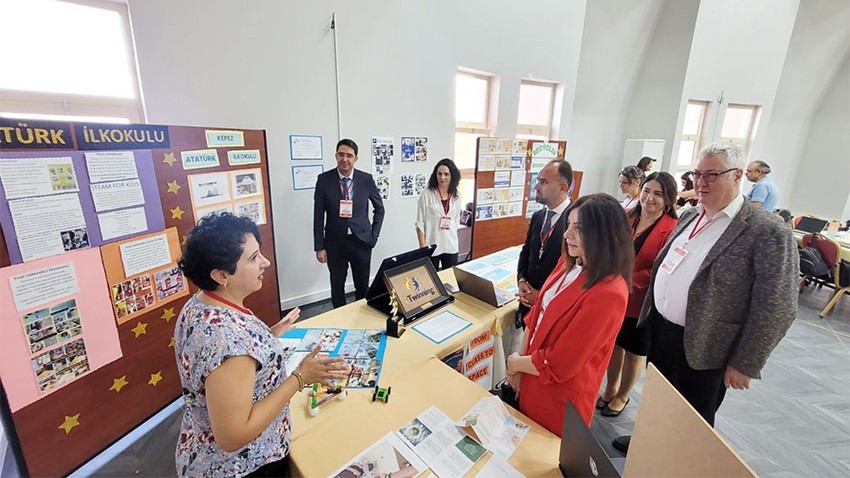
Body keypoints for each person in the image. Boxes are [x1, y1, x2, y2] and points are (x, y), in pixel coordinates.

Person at [612, 143, 798, 453]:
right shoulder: (690, 216)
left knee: (692, 417)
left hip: (706, 343)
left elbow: (777, 305)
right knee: (658, 399)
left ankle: (680, 464)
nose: (700, 183)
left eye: (711, 175)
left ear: (738, 176)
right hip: (661, 329)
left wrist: (746, 362)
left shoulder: (765, 232)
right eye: (697, 174)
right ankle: (649, 442)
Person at [174, 212, 349, 477]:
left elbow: (228, 360)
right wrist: (301, 377)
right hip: (244, 466)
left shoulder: (202, 303)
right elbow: (233, 435)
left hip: (203, 447)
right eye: (254, 258)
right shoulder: (226, 339)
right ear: (222, 275)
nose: (266, 262)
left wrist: (268, 334)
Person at [506, 194, 634, 435]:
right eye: (568, 226)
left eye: (579, 228)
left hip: (559, 395)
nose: (566, 235)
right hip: (532, 374)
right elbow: (537, 315)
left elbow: (561, 363)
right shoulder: (570, 262)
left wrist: (515, 363)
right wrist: (520, 365)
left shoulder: (609, 291)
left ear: (604, 235)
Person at [598, 172, 678, 417]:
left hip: (641, 300)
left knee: (633, 351)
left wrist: (628, 280)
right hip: (615, 295)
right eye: (646, 190)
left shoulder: (671, 228)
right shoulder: (627, 216)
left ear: (668, 200)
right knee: (614, 345)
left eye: (658, 194)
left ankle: (623, 395)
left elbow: (662, 267)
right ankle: (611, 388)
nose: (649, 198)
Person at [314, 139, 385, 308]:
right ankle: (340, 319)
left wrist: (373, 236)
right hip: (335, 243)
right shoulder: (324, 180)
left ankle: (361, 318)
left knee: (362, 286)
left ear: (355, 158)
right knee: (337, 286)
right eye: (341, 155)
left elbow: (380, 209)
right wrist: (319, 246)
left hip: (361, 241)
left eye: (349, 155)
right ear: (336, 156)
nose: (344, 159)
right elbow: (318, 215)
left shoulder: (366, 179)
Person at [516, 159, 573, 329]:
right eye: (537, 180)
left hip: (554, 312)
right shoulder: (538, 217)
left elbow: (574, 273)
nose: (536, 187)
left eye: (543, 182)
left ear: (563, 187)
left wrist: (541, 296)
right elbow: (526, 252)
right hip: (528, 305)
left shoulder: (577, 221)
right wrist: (522, 280)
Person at [415, 158, 462, 270]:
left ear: (452, 176)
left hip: (451, 245)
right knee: (432, 279)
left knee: (451, 280)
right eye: (439, 174)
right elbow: (419, 223)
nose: (442, 177)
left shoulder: (457, 195)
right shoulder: (426, 195)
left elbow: (456, 220)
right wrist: (422, 246)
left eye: (446, 174)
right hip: (432, 245)